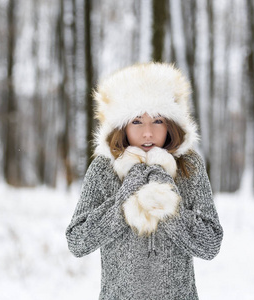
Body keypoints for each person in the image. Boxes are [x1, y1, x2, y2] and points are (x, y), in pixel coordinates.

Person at [65, 62, 223, 299]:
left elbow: (210, 244)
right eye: (137, 121)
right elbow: (77, 241)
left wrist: (167, 206)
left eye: (158, 121)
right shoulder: (103, 168)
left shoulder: (190, 166)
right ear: (121, 126)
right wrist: (123, 202)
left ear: (171, 124)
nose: (147, 132)